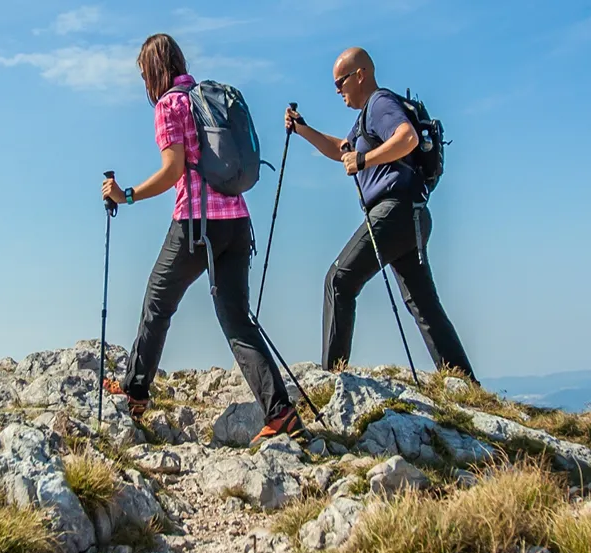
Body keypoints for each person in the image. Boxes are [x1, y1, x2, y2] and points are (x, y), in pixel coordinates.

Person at [99, 33, 302, 440]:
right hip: (237, 221)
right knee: (237, 320)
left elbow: (174, 170)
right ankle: (281, 414)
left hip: (195, 223)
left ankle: (136, 391)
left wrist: (129, 194)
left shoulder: (169, 106)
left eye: (144, 74)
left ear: (153, 72)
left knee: (158, 299)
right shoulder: (208, 96)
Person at [282, 47, 477, 381]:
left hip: (395, 212)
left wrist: (364, 161)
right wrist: (303, 129)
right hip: (412, 214)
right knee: (423, 304)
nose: (337, 90)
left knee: (339, 280)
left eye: (340, 82)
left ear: (361, 75)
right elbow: (341, 150)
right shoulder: (365, 120)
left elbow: (407, 137)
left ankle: (333, 376)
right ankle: (465, 383)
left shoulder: (380, 104)